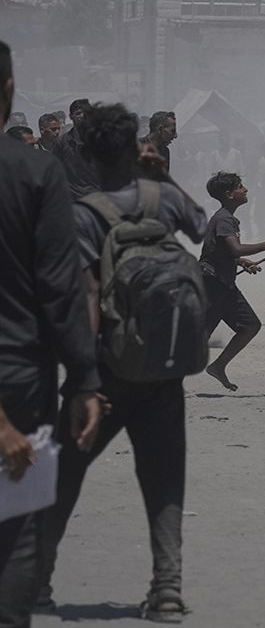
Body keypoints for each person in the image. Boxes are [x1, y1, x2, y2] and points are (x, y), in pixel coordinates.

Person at [40, 102, 204, 622]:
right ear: (136, 146)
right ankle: (168, 590)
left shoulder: (85, 215)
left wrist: (83, 382)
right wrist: (161, 177)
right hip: (165, 369)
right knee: (164, 478)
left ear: (86, 153)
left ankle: (37, 581)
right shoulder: (161, 198)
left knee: (64, 473)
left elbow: (87, 298)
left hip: (108, 372)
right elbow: (200, 226)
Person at [0, 40, 105, 625]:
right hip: (21, 376)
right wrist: (85, 379)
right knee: (18, 525)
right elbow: (64, 289)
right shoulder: (38, 172)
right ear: (9, 90)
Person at [200, 171, 265, 392]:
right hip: (213, 286)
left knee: (250, 325)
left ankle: (218, 366)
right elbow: (235, 248)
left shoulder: (226, 218)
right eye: (240, 186)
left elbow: (223, 251)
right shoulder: (224, 219)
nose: (245, 189)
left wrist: (240, 262)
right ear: (229, 194)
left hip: (224, 286)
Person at [50, 99, 98, 198]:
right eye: (78, 113)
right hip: (72, 196)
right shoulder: (62, 142)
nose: (82, 116)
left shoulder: (100, 140)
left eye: (86, 113)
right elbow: (55, 169)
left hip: (97, 195)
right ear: (71, 116)